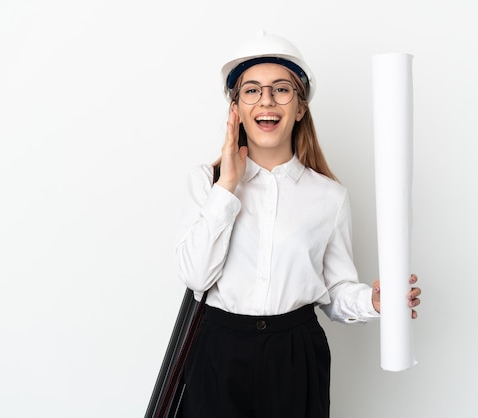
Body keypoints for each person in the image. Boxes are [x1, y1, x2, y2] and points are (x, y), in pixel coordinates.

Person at [175, 31, 421, 418]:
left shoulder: (330, 197)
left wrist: (374, 302)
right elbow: (196, 277)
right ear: (235, 107)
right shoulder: (207, 182)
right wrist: (227, 187)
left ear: (301, 107)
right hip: (217, 352)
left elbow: (334, 291)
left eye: (281, 90)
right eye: (252, 90)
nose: (267, 101)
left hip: (295, 355)